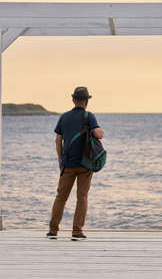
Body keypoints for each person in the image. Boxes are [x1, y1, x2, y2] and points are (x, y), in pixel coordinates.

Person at [47, 87, 104, 241]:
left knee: (61, 197)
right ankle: (77, 231)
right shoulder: (89, 116)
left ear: (73, 100)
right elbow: (99, 134)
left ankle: (53, 231)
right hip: (85, 165)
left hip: (67, 165)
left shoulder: (64, 117)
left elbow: (58, 140)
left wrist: (60, 160)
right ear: (86, 101)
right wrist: (96, 131)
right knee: (82, 197)